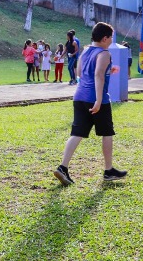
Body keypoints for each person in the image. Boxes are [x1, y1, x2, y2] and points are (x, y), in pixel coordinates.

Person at [53, 22, 127, 186]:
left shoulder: (86, 51)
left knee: (77, 133)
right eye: (111, 38)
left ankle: (62, 167)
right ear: (105, 38)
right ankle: (108, 170)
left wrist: (108, 71)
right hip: (96, 99)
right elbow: (98, 75)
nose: (111, 41)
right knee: (107, 132)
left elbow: (80, 73)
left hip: (79, 96)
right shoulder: (104, 53)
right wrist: (99, 100)